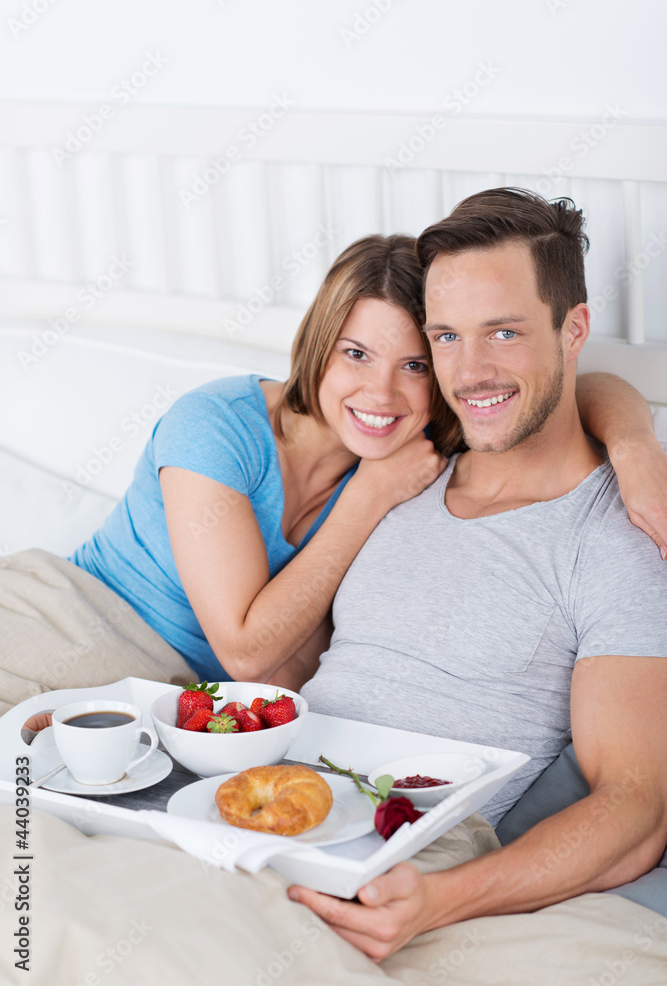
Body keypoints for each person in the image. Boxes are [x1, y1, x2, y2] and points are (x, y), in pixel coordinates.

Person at [1, 231, 664, 714]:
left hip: (152, 700)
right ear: (318, 345)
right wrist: (368, 499)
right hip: (57, 622)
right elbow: (245, 652)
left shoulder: (421, 452)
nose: (379, 392)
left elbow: (565, 387)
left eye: (412, 366)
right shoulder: (217, 426)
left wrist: (635, 448)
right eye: (355, 353)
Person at [288, 188, 667, 959]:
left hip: (403, 857)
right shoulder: (401, 467)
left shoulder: (616, 536)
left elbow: (634, 810)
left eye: (503, 331)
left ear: (574, 330)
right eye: (446, 338)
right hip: (262, 807)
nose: (471, 371)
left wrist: (436, 901)